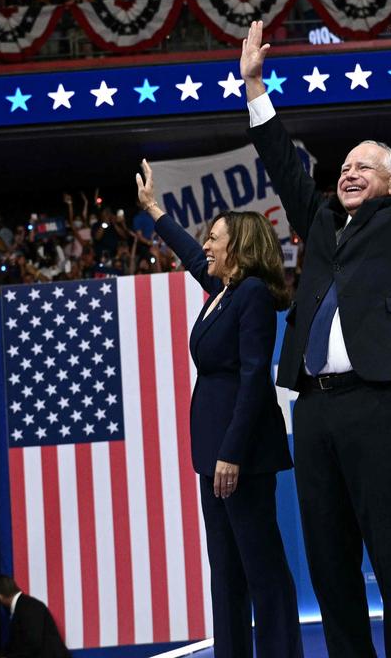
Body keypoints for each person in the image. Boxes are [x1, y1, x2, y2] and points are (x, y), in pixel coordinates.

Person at [238, 0, 391, 658]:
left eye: (365, 166)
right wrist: (254, 89)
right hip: (318, 409)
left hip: (379, 400)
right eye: (346, 166)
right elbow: (282, 166)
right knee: (330, 566)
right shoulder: (324, 222)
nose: (349, 171)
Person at [135, 161, 303, 658]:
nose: (205, 245)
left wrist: (231, 453)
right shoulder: (222, 291)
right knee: (226, 570)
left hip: (241, 456)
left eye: (215, 238)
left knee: (262, 567)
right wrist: (155, 211)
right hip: (213, 455)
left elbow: (255, 377)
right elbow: (188, 254)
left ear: (240, 247)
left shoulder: (250, 294)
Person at [0, 575, 70, 658]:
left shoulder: (28, 607)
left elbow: (33, 643)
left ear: (0, 597)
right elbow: (17, 642)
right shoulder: (25, 605)